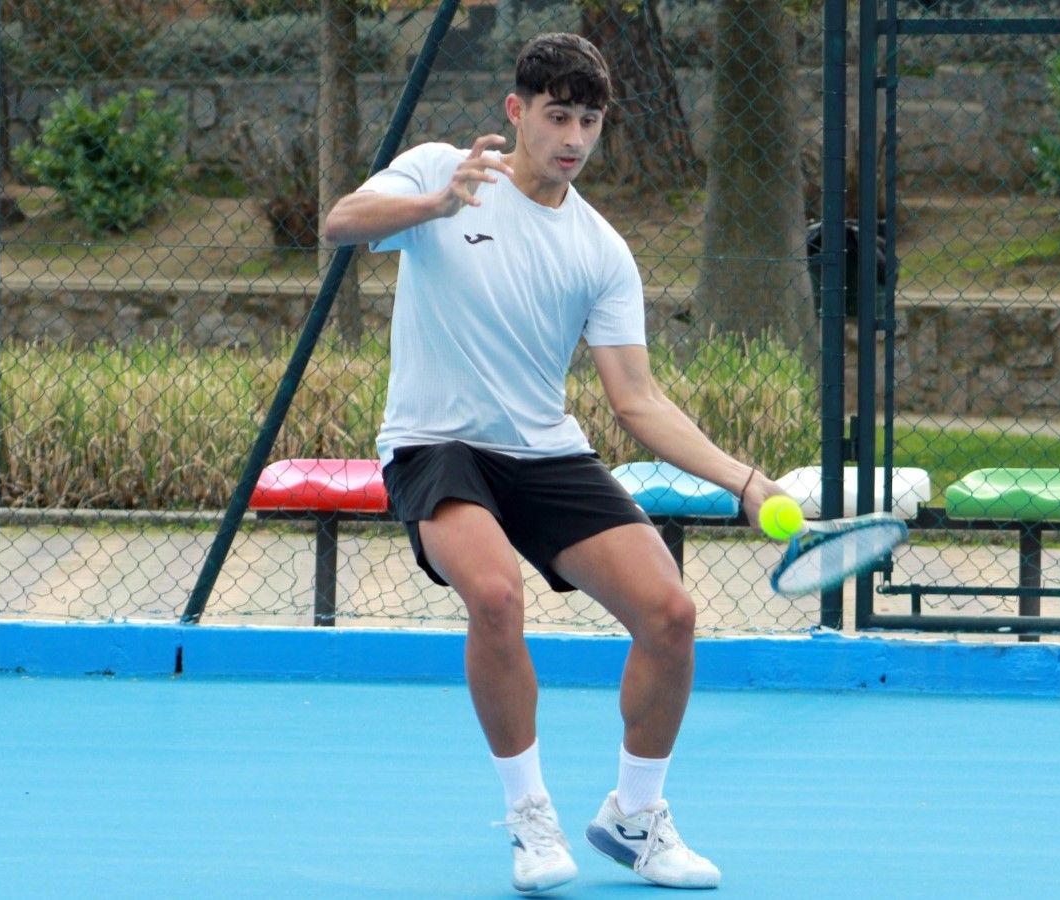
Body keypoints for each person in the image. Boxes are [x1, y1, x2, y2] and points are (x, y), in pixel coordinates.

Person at [322, 32, 786, 894]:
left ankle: (634, 817)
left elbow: (636, 400)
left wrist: (745, 481)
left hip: (543, 449)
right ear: (516, 113)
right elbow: (340, 222)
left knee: (671, 614)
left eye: (589, 120)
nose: (573, 137)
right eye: (557, 116)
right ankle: (529, 817)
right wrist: (433, 207)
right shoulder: (441, 169)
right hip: (437, 443)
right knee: (495, 594)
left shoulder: (601, 250)